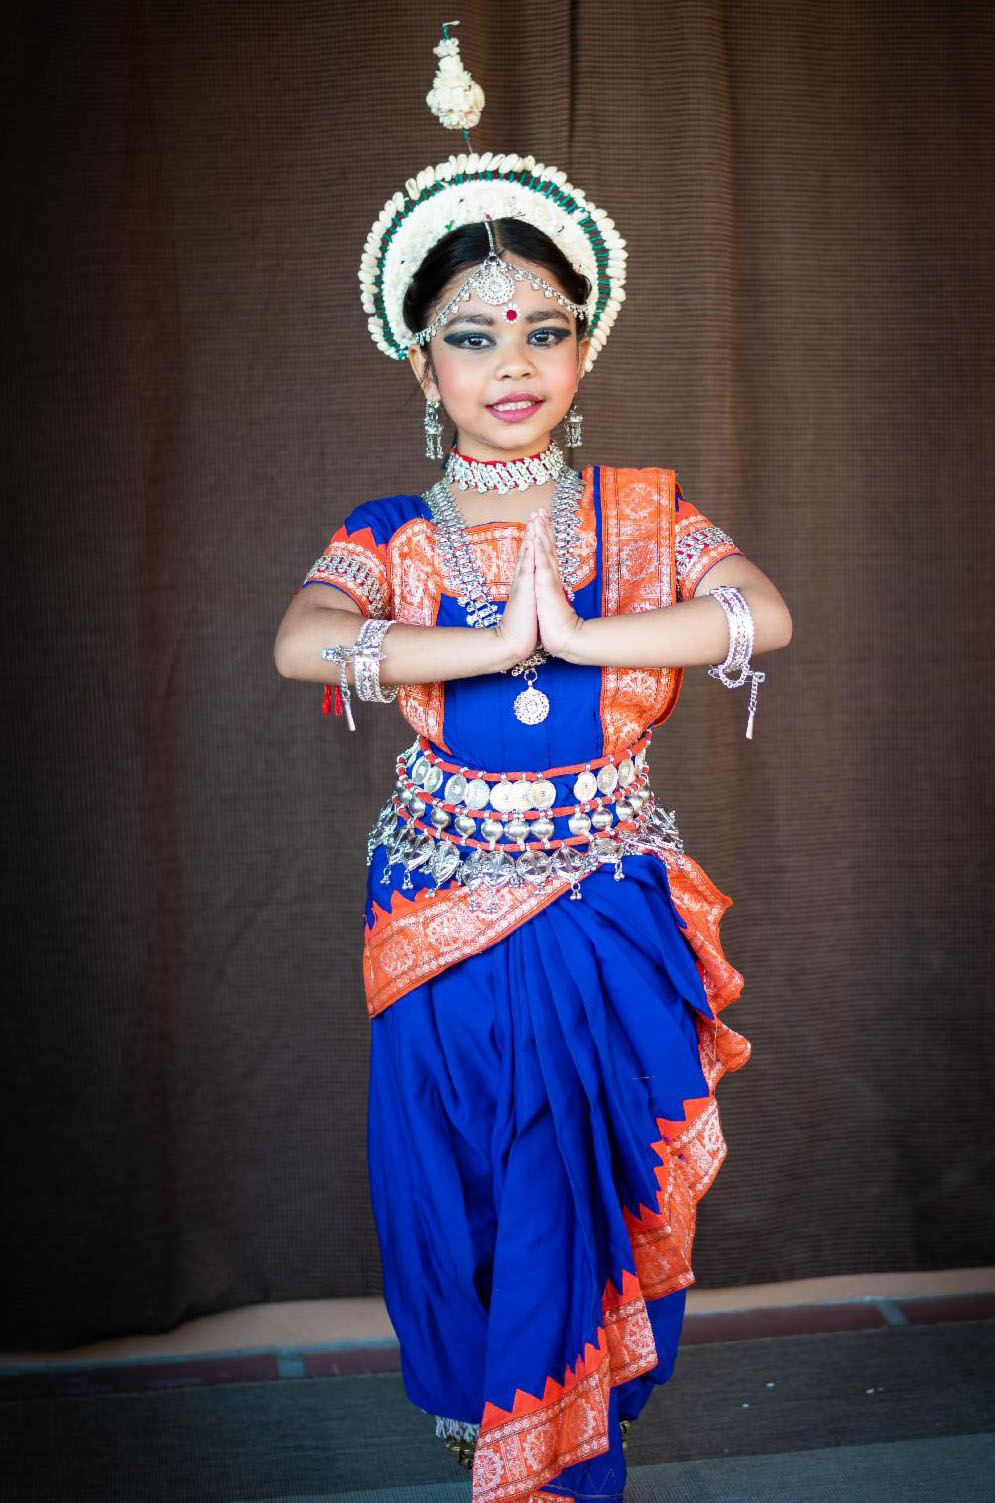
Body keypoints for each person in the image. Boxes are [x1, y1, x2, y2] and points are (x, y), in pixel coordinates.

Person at [273, 27, 791, 1503]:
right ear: (421, 359)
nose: (514, 362)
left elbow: (764, 611)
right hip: (441, 902)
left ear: (588, 341)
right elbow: (304, 644)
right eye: (474, 334)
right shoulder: (395, 532)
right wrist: (489, 648)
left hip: (604, 895)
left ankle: (568, 1439)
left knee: (594, 1180)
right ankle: (498, 1419)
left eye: (545, 328)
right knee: (473, 1186)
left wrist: (585, 620)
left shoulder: (642, 511)